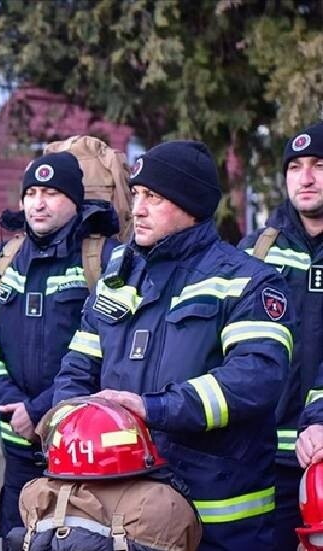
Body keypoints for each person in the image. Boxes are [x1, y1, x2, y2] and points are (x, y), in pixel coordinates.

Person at [54, 141, 295, 550]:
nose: (138, 209)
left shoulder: (250, 281)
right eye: (137, 195)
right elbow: (77, 365)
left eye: (155, 197)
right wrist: (68, 418)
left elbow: (255, 379)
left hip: (220, 515)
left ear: (193, 206)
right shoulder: (118, 275)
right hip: (127, 502)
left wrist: (154, 408)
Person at [0, 151, 120, 540]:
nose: (38, 203)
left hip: (81, 446)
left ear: (75, 202)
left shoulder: (103, 259)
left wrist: (39, 408)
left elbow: (108, 351)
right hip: (17, 446)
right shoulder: (3, 260)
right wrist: (10, 402)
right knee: (15, 537)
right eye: (31, 193)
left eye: (51, 193)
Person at [239, 121, 323, 550]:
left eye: (319, 165)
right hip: (262, 457)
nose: (305, 178)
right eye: (295, 167)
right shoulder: (256, 253)